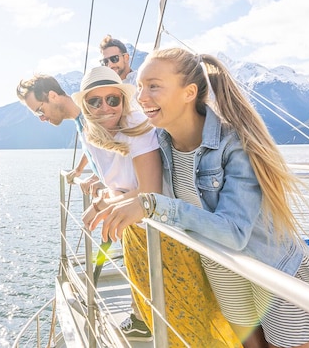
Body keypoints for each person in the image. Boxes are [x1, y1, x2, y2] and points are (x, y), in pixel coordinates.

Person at [90, 48, 309, 348]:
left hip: (271, 268)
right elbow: (146, 185)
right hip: (222, 270)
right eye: (141, 87)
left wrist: (151, 206)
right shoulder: (162, 142)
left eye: (154, 86)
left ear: (189, 92)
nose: (141, 97)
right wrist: (111, 196)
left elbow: (233, 232)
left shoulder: (234, 145)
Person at [79, 65, 241, 348]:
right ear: (85, 105)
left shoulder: (137, 128)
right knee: (153, 308)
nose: (105, 107)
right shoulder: (91, 136)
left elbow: (149, 192)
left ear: (122, 99)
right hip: (135, 230)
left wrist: (106, 205)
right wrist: (106, 197)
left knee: (186, 310)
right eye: (95, 101)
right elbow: (120, 184)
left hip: (164, 230)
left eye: (112, 99)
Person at [16, 71, 151, 340]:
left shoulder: (94, 118)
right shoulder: (82, 121)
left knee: (144, 262)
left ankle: (143, 320)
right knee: (137, 263)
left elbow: (127, 162)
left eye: (39, 110)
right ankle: (141, 317)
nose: (41, 118)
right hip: (128, 201)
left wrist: (105, 198)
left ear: (52, 95)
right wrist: (93, 177)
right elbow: (106, 155)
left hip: (139, 206)